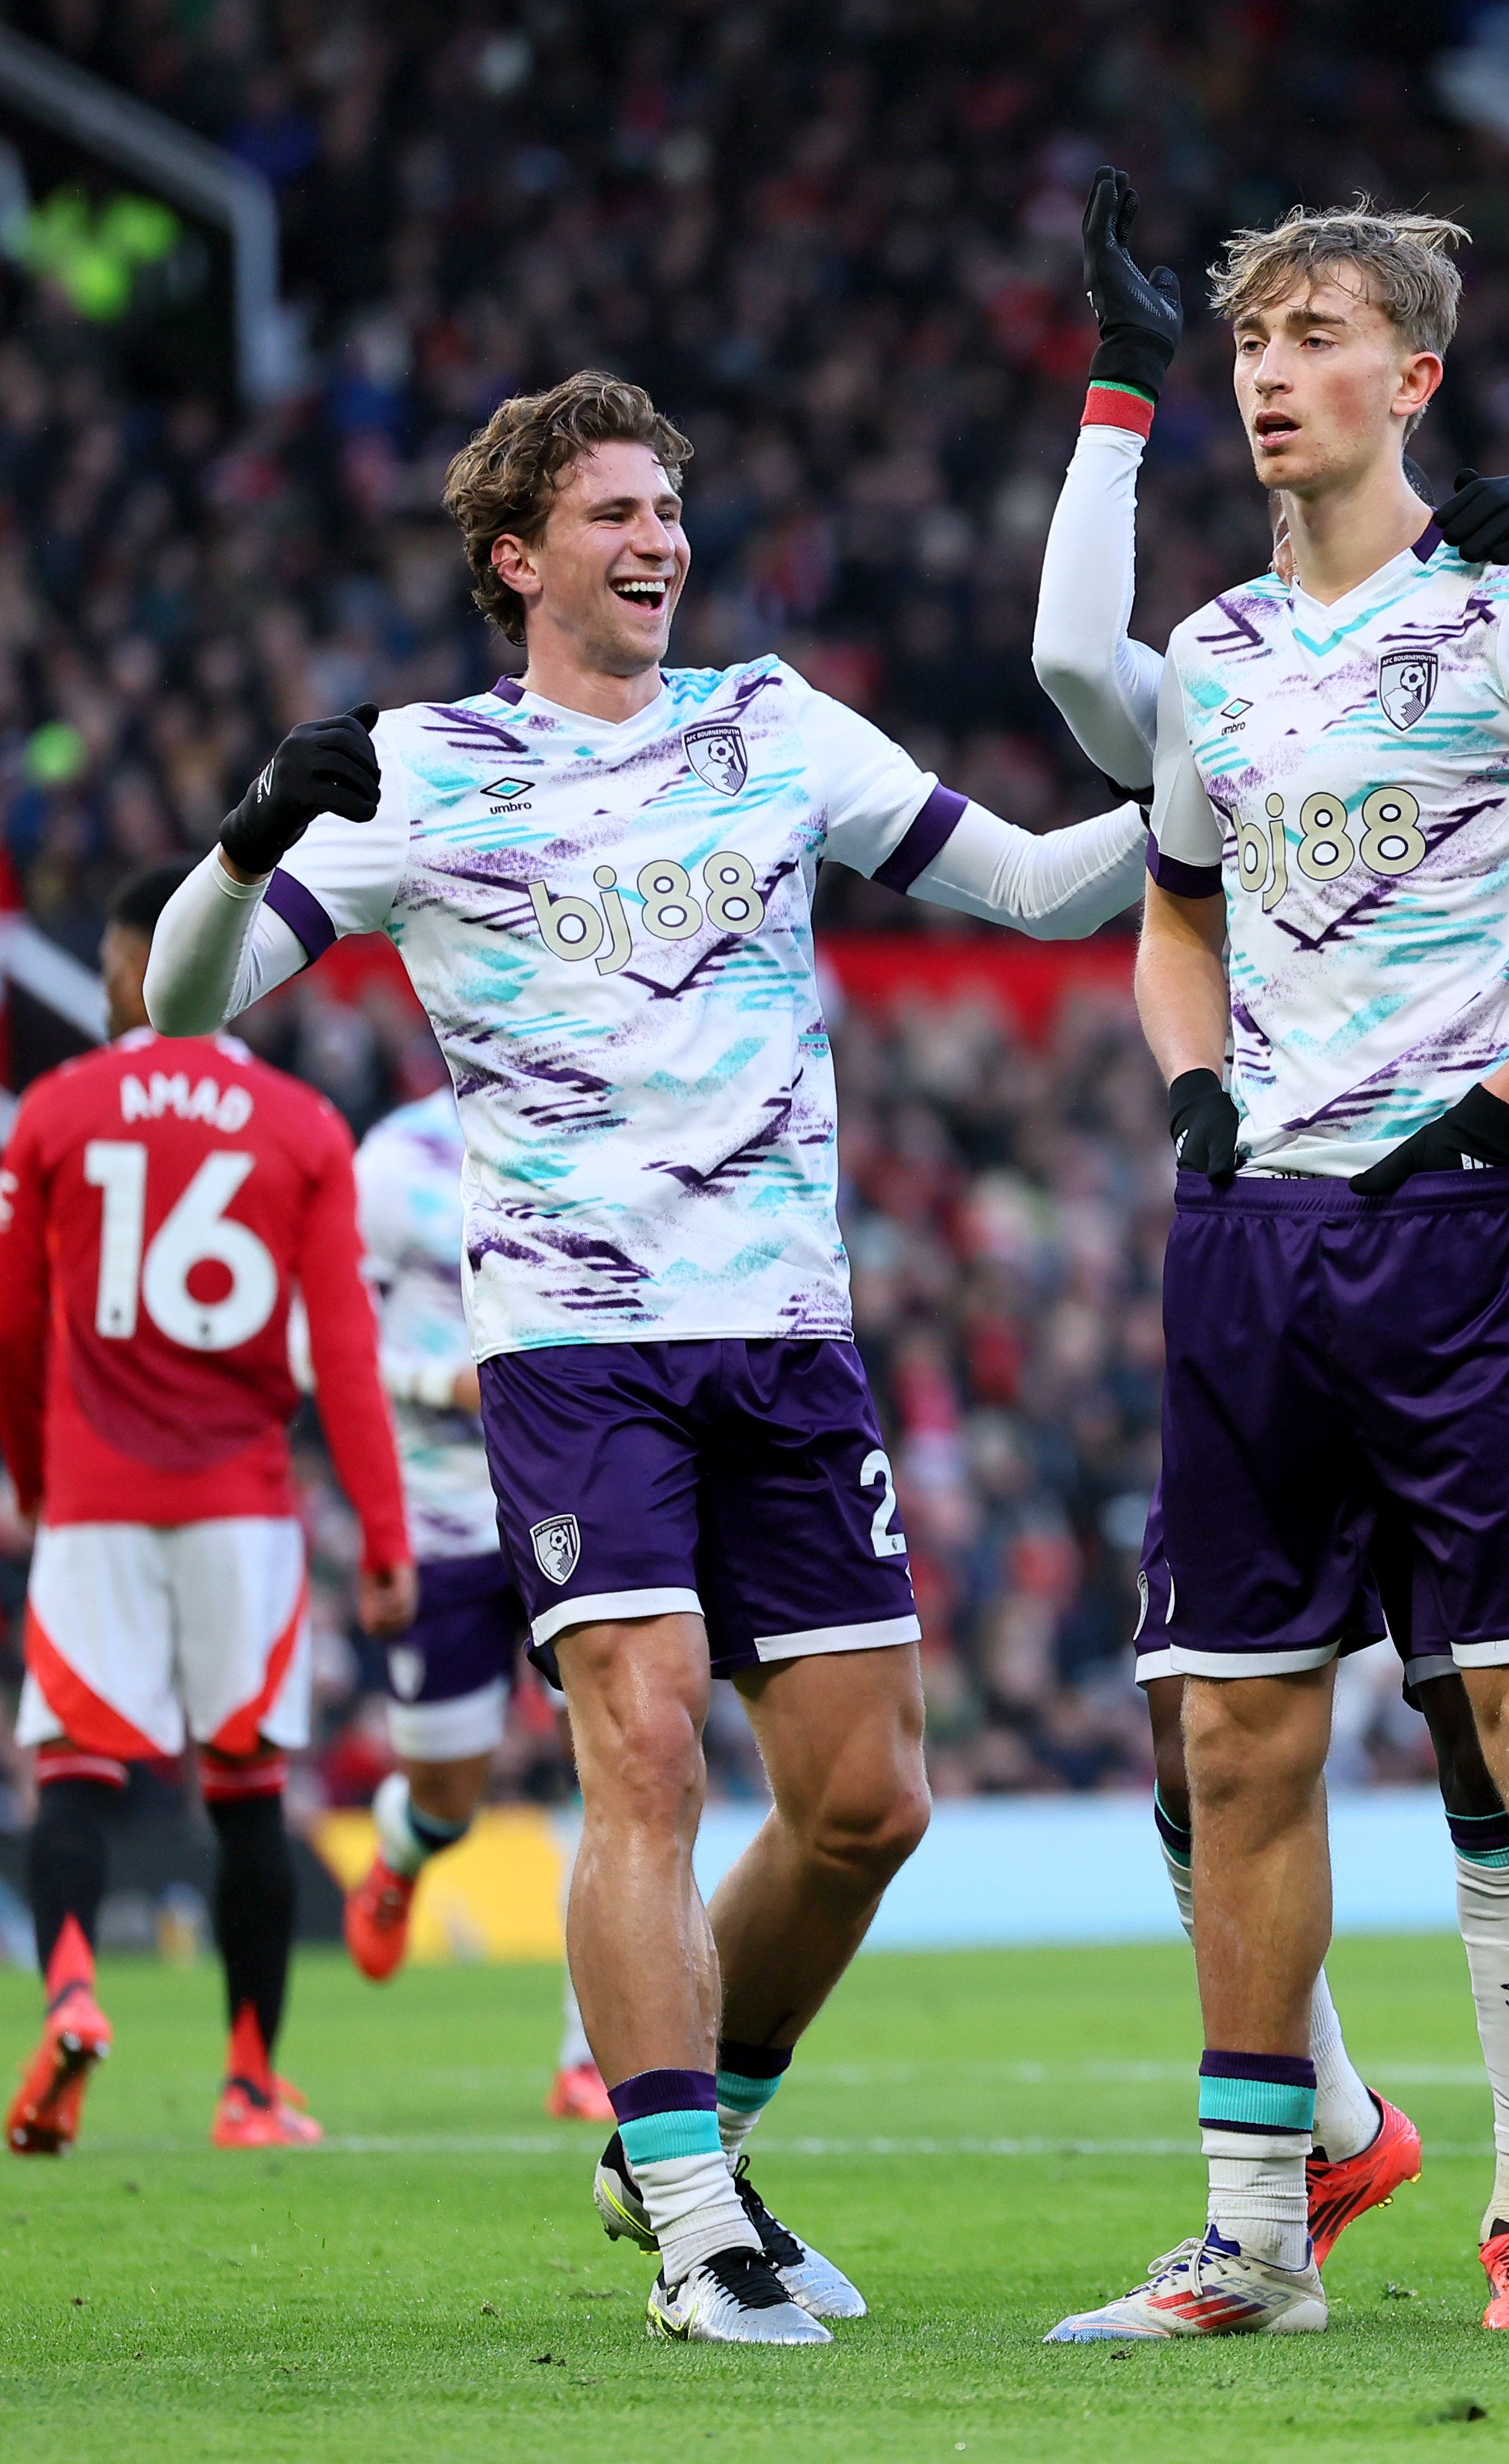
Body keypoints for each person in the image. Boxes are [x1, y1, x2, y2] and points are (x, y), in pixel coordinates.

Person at [143, 371, 1154, 2344]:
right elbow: (188, 1003)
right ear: (518, 556)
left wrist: (1231, 795)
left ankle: (679, 2145)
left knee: (870, 1802)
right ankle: (697, 2218)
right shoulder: (422, 772)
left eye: (671, 508)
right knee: (645, 1730)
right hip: (574, 1342)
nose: (660, 540)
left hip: (787, 1335)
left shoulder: (771, 722)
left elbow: (1031, 886)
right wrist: (248, 832)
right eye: (615, 513)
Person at [1036, 171, 1509, 2328]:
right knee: (1234, 1738)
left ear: (1411, 375)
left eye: (1315, 338)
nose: (1268, 376)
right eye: (1249, 344)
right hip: (1252, 1244)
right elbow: (1172, 910)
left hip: (1466, 1241)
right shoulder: (1215, 659)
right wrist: (1190, 1093)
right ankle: (1255, 2237)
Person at [1, 861, 414, 2156]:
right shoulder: (300, 1126)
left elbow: (13, 1328)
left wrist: (31, 1477)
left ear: (127, 967)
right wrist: (387, 1537)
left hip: (96, 1496)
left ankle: (71, 1984)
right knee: (243, 1785)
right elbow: (342, 1353)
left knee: (72, 1767)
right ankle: (248, 2084)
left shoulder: (57, 1111)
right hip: (243, 1504)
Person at [341, 1083, 610, 2122]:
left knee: (624, 1770)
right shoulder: (389, 1169)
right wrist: (439, 1384)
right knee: (448, 1792)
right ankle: (406, 1848)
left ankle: (592, 2058)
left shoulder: (587, 1137)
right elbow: (335, 1344)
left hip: (572, 1495)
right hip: (441, 1515)